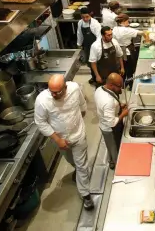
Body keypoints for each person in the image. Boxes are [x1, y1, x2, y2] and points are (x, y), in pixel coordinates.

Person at [34, 75, 94, 210]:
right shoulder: (42, 100)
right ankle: (78, 171)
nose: (54, 94)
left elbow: (82, 104)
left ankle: (86, 195)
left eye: (58, 92)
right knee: (71, 160)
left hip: (78, 135)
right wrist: (57, 139)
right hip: (61, 140)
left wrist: (79, 119)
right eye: (51, 91)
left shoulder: (74, 88)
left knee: (82, 165)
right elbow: (41, 122)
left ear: (65, 87)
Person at [94, 73, 129, 169]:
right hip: (110, 129)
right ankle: (118, 165)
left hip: (106, 123)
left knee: (110, 146)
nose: (121, 90)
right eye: (119, 86)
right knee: (114, 148)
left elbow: (108, 106)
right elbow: (112, 123)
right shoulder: (107, 101)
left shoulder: (100, 89)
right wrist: (123, 114)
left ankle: (111, 161)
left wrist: (118, 106)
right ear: (110, 85)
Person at [112, 13, 144, 88]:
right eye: (127, 21)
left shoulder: (115, 29)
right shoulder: (126, 30)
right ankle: (130, 84)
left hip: (118, 52)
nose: (128, 22)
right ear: (122, 22)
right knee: (129, 69)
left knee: (122, 69)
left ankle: (122, 84)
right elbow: (141, 33)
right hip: (127, 52)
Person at [77, 7, 102, 85]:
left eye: (87, 17)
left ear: (90, 15)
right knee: (90, 63)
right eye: (83, 17)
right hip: (87, 46)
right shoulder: (80, 23)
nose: (85, 19)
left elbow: (99, 36)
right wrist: (79, 44)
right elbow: (79, 34)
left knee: (98, 63)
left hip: (96, 46)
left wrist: (97, 47)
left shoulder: (95, 23)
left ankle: (100, 77)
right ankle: (94, 77)